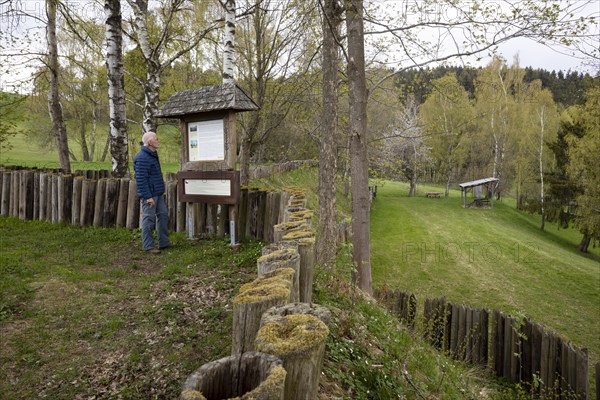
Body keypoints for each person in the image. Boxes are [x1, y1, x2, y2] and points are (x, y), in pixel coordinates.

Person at [134, 131, 170, 254]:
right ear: (149, 142)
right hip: (150, 194)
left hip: (158, 192)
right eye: (156, 139)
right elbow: (141, 179)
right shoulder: (142, 157)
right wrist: (148, 196)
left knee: (163, 215)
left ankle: (163, 242)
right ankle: (148, 246)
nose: (158, 141)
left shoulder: (152, 155)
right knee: (149, 219)